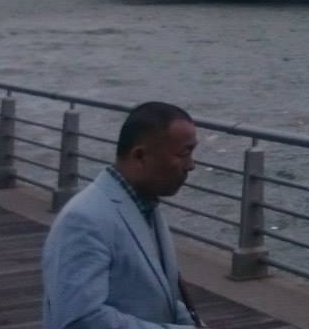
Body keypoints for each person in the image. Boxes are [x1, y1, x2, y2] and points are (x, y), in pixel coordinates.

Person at [42, 101, 203, 329]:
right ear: (140, 156)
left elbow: (162, 298)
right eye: (184, 153)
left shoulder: (146, 207)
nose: (191, 165)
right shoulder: (84, 219)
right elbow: (79, 319)